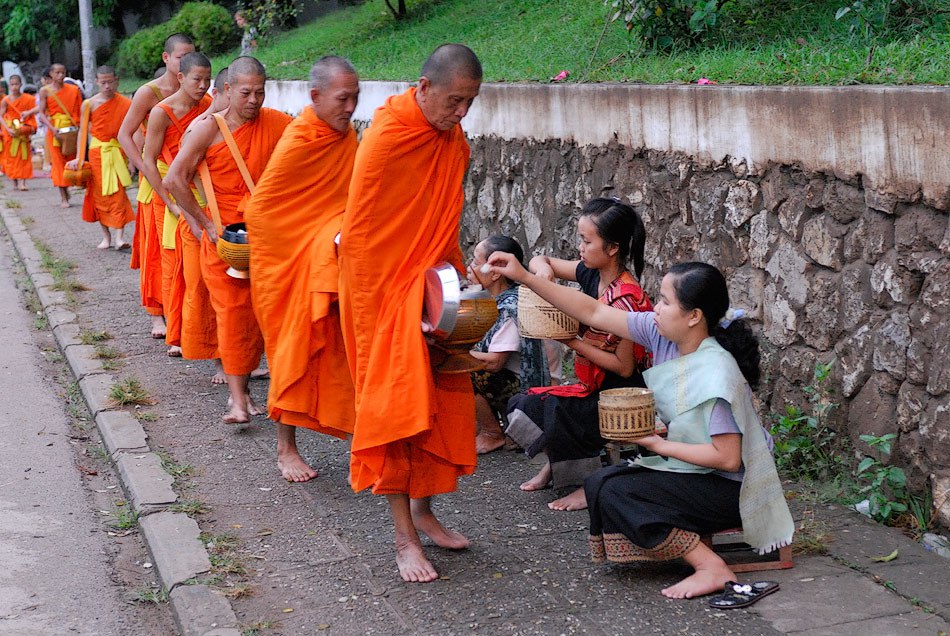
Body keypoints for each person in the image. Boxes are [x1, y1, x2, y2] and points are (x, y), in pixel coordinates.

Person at [486, 255, 795, 599]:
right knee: (600, 484)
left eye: (665, 301)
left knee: (619, 492)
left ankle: (710, 567)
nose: (656, 308)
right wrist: (525, 277)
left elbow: (726, 459)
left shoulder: (716, 372)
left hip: (732, 489)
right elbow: (592, 312)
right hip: (696, 472)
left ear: (694, 316)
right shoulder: (663, 335)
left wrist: (657, 445)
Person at [338, 43, 482, 583]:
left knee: (438, 404)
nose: (461, 113)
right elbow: (363, 234)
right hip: (380, 297)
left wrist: (454, 284)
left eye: (470, 102)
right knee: (393, 411)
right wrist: (401, 304)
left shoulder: (451, 139)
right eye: (453, 101)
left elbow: (440, 221)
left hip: (428, 288)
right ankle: (403, 539)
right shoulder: (388, 135)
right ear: (423, 88)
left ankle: (425, 513)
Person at [245, 56, 360, 483]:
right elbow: (262, 211)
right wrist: (318, 239)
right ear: (315, 97)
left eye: (355, 98)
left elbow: (351, 198)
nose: (350, 107)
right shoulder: (301, 138)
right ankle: (285, 448)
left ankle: (359, 436)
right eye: (342, 98)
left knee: (343, 350)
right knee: (289, 351)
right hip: (289, 265)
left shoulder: (345, 138)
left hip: (331, 263)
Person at [164, 56, 292, 424]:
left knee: (265, 317)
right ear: (228, 90)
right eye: (247, 92)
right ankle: (237, 399)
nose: (254, 100)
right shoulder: (208, 129)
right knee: (234, 318)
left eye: (260, 92)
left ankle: (251, 390)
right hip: (226, 244)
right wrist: (205, 222)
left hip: (267, 240)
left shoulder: (277, 124)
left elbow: (305, 144)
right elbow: (175, 180)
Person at [505, 198, 652, 512]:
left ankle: (588, 484)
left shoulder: (628, 298)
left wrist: (571, 341)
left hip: (618, 394)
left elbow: (624, 368)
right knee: (525, 402)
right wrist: (542, 272)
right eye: (580, 239)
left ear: (612, 248)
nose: (580, 247)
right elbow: (542, 260)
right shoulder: (590, 274)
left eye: (587, 241)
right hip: (592, 385)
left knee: (559, 410)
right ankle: (558, 465)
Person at [118, 33, 196, 342]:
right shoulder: (150, 93)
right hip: (157, 179)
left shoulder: (196, 90)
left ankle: (184, 313)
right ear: (166, 58)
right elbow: (125, 134)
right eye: (180, 57)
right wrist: (145, 168)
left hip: (189, 180)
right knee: (158, 251)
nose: (186, 62)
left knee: (185, 250)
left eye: (191, 56)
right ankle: (158, 313)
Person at [139, 52, 212, 358]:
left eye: (208, 80)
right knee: (172, 264)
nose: (203, 86)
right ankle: (176, 332)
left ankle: (201, 335)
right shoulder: (161, 111)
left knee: (200, 269)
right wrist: (168, 201)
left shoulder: (208, 107)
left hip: (201, 192)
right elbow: (148, 160)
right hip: (169, 190)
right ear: (181, 77)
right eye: (197, 79)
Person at [466, 235, 550, 454]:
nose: (469, 267)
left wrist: (453, 354)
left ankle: (492, 433)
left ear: (495, 273)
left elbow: (495, 363)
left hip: (530, 393)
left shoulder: (510, 306)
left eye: (475, 262)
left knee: (465, 368)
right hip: (512, 384)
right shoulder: (490, 300)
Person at [65, 66, 134, 250]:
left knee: (118, 194)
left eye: (110, 82)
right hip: (97, 153)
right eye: (103, 82)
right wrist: (80, 158)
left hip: (117, 152)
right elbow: (82, 132)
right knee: (98, 195)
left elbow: (131, 132)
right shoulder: (89, 104)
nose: (107, 86)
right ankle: (106, 237)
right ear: (96, 82)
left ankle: (120, 237)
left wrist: (133, 160)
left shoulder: (126, 103)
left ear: (116, 80)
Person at [21, 63, 82, 208]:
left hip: (71, 130)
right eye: (57, 73)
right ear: (51, 74)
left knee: (71, 160)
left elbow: (79, 110)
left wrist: (79, 126)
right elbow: (42, 113)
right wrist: (52, 127)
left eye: (63, 72)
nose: (61, 75)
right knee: (58, 163)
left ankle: (70, 186)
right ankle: (63, 196)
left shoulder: (74, 90)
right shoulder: (45, 91)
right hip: (54, 131)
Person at [0, 75, 37, 190]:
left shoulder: (28, 99)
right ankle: (15, 182)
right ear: (9, 86)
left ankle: (23, 182)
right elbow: (1, 116)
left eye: (16, 84)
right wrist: (7, 128)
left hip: (23, 131)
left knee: (24, 157)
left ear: (21, 84)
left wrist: (28, 126)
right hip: (10, 133)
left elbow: (35, 112)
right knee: (11, 158)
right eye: (12, 84)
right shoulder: (6, 100)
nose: (14, 87)